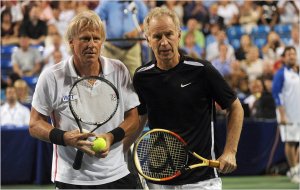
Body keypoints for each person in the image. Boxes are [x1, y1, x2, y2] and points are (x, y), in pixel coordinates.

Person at [133, 7, 244, 189]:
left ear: (178, 35)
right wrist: (121, 150)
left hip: (202, 180)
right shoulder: (141, 77)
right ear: (147, 40)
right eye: (157, 36)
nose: (164, 42)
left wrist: (230, 152)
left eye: (169, 34)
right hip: (159, 179)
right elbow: (139, 117)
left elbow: (235, 107)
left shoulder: (202, 70)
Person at [29, 10, 141, 189]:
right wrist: (64, 137)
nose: (91, 44)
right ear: (71, 42)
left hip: (117, 174)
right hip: (71, 179)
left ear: (102, 42)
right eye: (85, 38)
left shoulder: (119, 70)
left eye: (96, 39)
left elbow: (133, 119)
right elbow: (35, 124)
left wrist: (111, 137)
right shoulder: (51, 77)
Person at [94, 0, 148, 77]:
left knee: (135, 79)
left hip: (132, 50)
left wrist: (137, 30)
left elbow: (147, 21)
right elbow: (95, 19)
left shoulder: (138, 3)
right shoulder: (107, 3)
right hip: (111, 50)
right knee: (109, 78)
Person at [272, 46, 300, 184]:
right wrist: (282, 114)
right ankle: (294, 169)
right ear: (284, 57)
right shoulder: (281, 73)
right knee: (291, 141)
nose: (292, 56)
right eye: (289, 54)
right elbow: (276, 94)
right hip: (287, 113)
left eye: (293, 54)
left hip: (298, 112)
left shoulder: (298, 72)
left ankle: (297, 167)